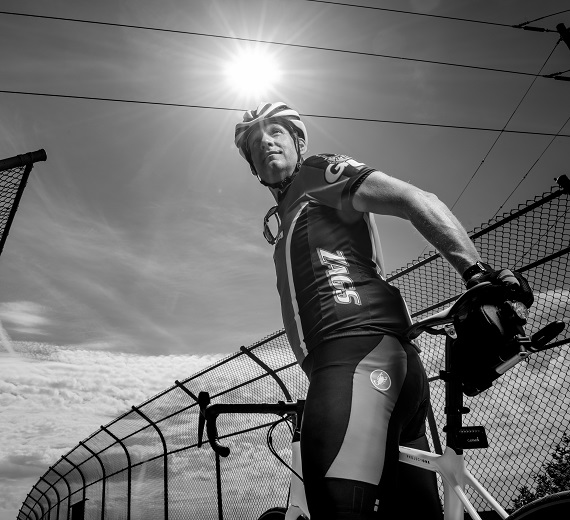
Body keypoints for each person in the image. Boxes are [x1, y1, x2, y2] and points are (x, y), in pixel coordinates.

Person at [234, 102, 529, 520]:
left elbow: (413, 198)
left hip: (354, 356)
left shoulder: (318, 172)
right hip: (382, 367)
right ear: (254, 168)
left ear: (300, 142)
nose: (265, 141)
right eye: (254, 142)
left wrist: (476, 273)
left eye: (276, 132)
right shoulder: (288, 214)